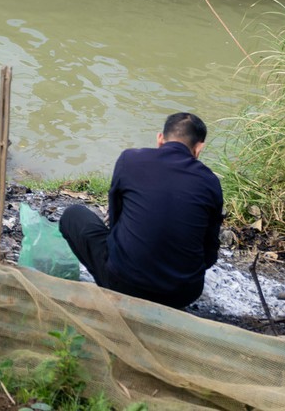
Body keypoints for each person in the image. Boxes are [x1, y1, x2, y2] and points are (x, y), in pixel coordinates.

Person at [57, 112, 223, 310]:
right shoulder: (210, 182)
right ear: (198, 148)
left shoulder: (130, 159)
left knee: (73, 215)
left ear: (160, 138)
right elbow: (210, 252)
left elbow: (115, 220)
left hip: (125, 285)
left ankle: (112, 294)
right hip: (183, 294)